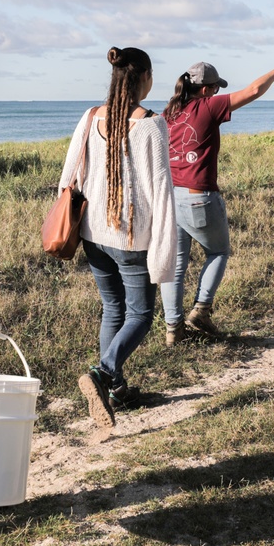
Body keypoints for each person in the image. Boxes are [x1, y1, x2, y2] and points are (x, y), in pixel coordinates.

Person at [58, 47, 176, 429]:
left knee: (113, 308)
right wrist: (163, 246)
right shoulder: (151, 124)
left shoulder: (92, 116)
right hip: (130, 237)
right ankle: (103, 373)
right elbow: (160, 191)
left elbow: (68, 175)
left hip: (93, 233)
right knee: (141, 315)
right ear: (144, 77)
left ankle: (116, 391)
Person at [160, 62, 274, 345]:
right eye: (213, 89)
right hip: (200, 197)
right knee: (218, 252)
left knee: (176, 265)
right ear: (207, 89)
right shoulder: (208, 107)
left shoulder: (169, 113)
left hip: (172, 197)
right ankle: (201, 310)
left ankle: (173, 329)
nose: (214, 94)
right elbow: (253, 91)